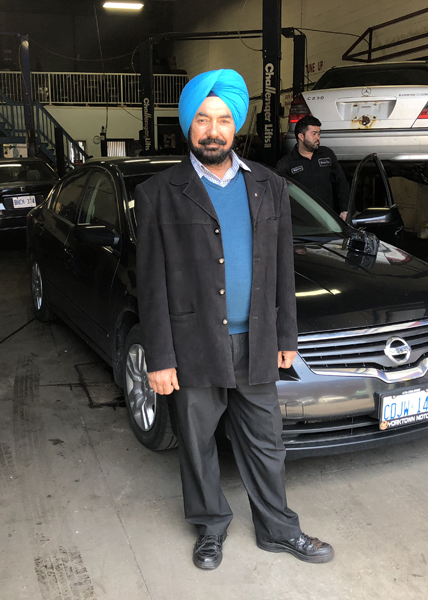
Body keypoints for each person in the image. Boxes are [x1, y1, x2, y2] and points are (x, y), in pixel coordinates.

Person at [135, 69, 333, 570]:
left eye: (223, 119)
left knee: (267, 443)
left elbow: (283, 268)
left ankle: (278, 529)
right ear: (188, 125)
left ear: (235, 126)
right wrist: (159, 357)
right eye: (202, 119)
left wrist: (287, 334)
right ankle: (210, 528)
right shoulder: (160, 192)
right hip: (192, 344)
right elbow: (151, 283)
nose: (213, 129)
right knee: (198, 445)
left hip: (257, 342)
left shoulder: (270, 186)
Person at [276, 114, 350, 220]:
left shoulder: (327, 155)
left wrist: (344, 210)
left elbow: (341, 183)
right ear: (301, 136)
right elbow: (281, 198)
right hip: (303, 224)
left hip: (330, 221)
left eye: (319, 134)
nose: (318, 138)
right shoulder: (286, 164)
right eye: (314, 134)